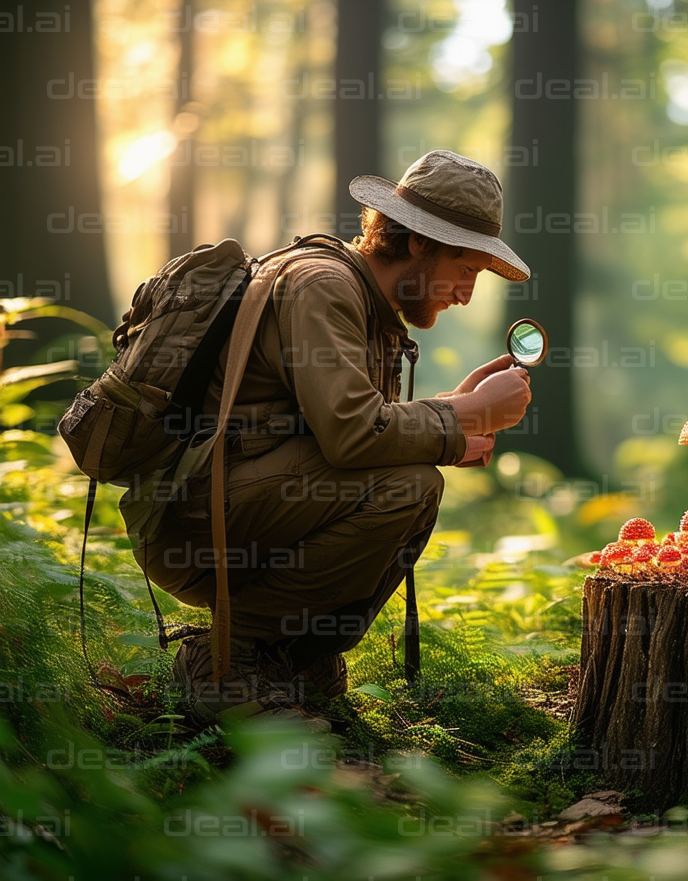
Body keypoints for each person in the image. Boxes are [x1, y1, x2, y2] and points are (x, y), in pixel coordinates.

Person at [127, 150, 533, 727]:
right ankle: (226, 656)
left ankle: (290, 659)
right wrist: (460, 417)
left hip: (236, 508)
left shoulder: (362, 300)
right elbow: (353, 439)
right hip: (196, 522)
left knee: (411, 482)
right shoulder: (324, 286)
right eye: (465, 269)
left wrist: (452, 412)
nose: (466, 293)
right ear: (418, 242)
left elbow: (345, 433)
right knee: (411, 487)